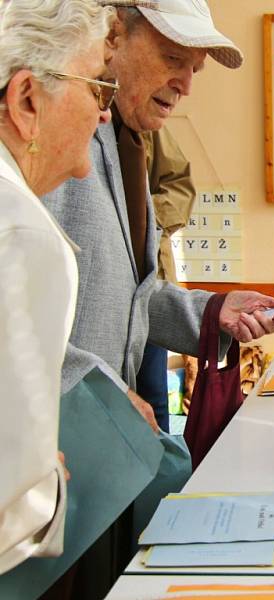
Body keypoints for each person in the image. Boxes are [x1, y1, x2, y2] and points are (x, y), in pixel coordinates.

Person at [43, 0, 274, 427]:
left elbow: (121, 294)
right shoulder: (55, 131)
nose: (186, 86)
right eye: (173, 58)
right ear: (113, 34)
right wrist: (108, 399)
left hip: (97, 446)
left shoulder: (127, 141)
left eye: (196, 68)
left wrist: (214, 312)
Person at [0, 0, 116, 574]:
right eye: (98, 85)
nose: (104, 115)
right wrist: (48, 483)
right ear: (27, 101)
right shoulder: (22, 231)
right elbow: (9, 512)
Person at [136, 126, 197, 431]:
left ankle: (160, 476)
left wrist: (144, 219)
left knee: (153, 395)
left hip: (150, 283)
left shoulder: (145, 124)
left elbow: (180, 186)